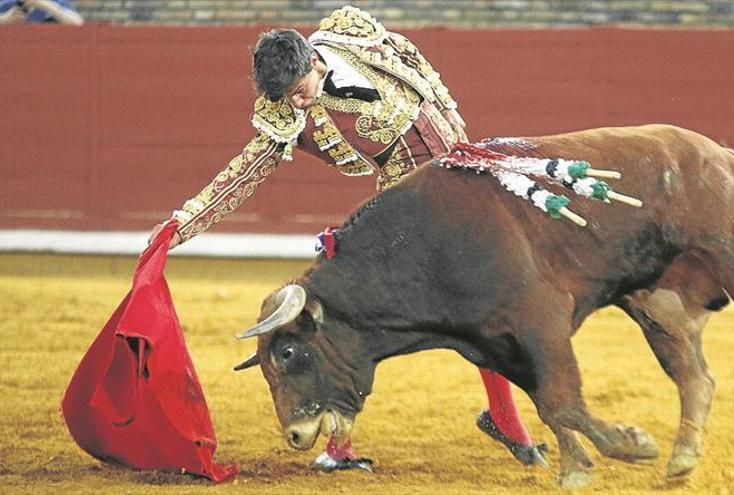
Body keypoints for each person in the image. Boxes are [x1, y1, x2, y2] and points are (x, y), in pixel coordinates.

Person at [147, 6, 546, 472]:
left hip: (462, 179)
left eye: (300, 92)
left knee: (489, 297)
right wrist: (181, 224)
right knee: (370, 315)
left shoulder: (351, 30)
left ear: (315, 62)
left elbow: (420, 80)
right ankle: (341, 447)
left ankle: (503, 418)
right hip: (406, 211)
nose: (297, 104)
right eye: (288, 98)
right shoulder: (283, 112)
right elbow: (246, 171)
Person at [0, 0, 83, 25]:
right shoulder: (7, 2)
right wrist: (5, 18)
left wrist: (45, 5)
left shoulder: (58, 1)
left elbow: (77, 22)